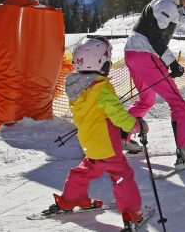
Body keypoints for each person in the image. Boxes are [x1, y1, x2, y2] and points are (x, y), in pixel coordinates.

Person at [40, 36, 147, 229]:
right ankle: (131, 212)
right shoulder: (101, 88)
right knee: (122, 175)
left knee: (84, 170)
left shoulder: (76, 87)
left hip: (89, 144)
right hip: (107, 145)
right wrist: (137, 125)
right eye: (108, 60)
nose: (110, 64)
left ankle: (70, 199)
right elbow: (118, 116)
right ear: (100, 62)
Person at [124, 0, 185, 165]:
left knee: (147, 99)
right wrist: (172, 63)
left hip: (133, 53)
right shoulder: (168, 4)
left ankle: (122, 136)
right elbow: (154, 37)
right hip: (144, 54)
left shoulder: (166, 2)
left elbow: (152, 34)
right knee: (177, 102)